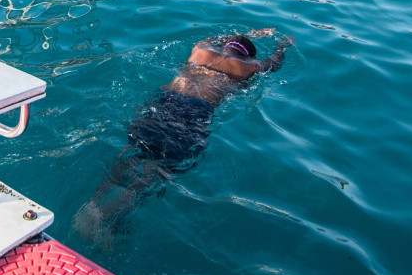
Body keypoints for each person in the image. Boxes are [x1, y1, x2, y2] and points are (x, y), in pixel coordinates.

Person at [75, 29, 294, 245]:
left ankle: (93, 205)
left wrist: (253, 33)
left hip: (163, 101)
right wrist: (283, 45)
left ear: (228, 45)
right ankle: (112, 219)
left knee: (130, 152)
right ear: (246, 56)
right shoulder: (248, 67)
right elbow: (274, 63)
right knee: (156, 170)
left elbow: (214, 38)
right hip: (192, 113)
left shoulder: (201, 49)